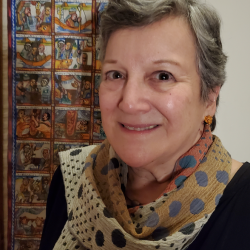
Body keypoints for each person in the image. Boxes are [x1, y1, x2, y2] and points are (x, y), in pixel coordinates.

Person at [40, 0, 250, 250]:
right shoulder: (69, 180)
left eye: (163, 75)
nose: (130, 103)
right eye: (116, 74)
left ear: (210, 97)